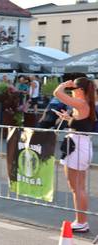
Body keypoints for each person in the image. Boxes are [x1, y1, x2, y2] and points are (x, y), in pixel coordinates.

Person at [53, 77, 96, 233]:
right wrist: (69, 119)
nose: (71, 92)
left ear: (80, 90)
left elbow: (57, 93)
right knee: (79, 187)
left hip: (78, 147)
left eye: (73, 89)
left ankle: (82, 222)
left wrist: (65, 84)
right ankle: (81, 220)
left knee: (76, 187)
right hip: (80, 145)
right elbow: (82, 123)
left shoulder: (82, 103)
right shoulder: (85, 104)